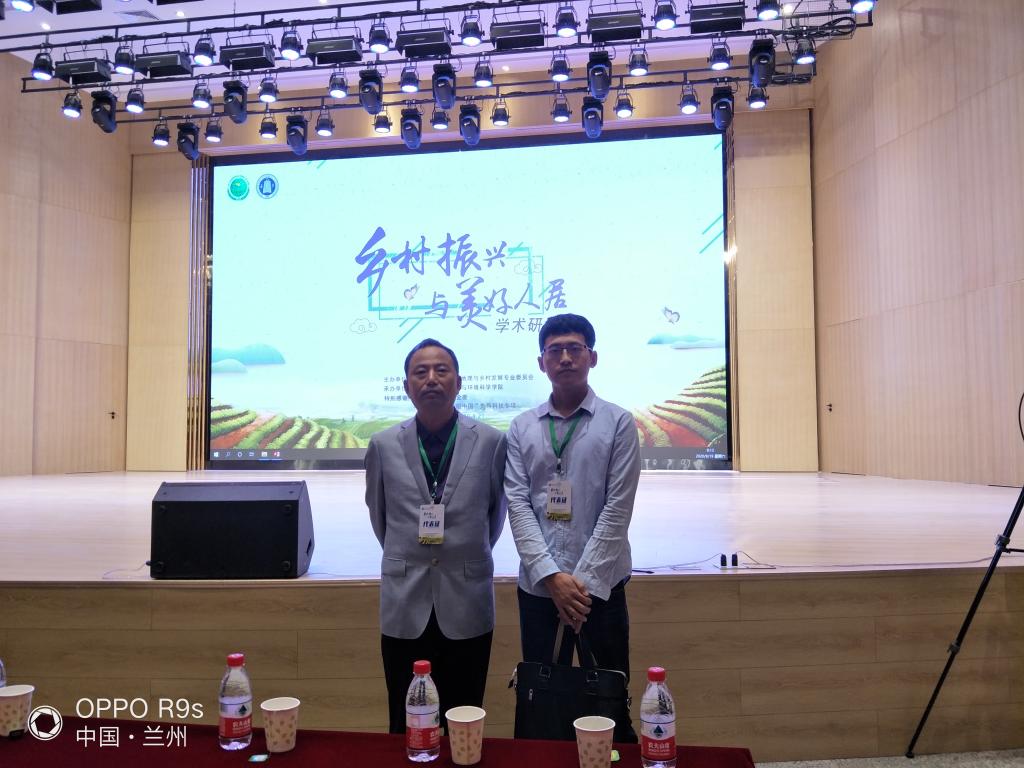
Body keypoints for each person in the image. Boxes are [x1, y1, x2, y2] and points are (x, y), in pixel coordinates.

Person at [504, 313, 641, 741]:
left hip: (601, 590)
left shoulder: (618, 422)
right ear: (541, 362)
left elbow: (618, 508)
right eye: (555, 350)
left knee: (609, 699)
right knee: (542, 703)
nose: (565, 358)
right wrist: (551, 577)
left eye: (574, 349)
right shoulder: (521, 427)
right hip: (539, 591)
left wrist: (579, 588)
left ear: (592, 357)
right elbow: (517, 505)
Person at [365, 338, 507, 734]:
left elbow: (494, 516)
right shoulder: (382, 444)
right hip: (404, 602)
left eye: (441, 370)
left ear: (458, 383)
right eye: (420, 372)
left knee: (464, 719)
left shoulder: (492, 442)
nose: (431, 379)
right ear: (406, 386)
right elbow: (380, 516)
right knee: (406, 719)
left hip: (467, 600)